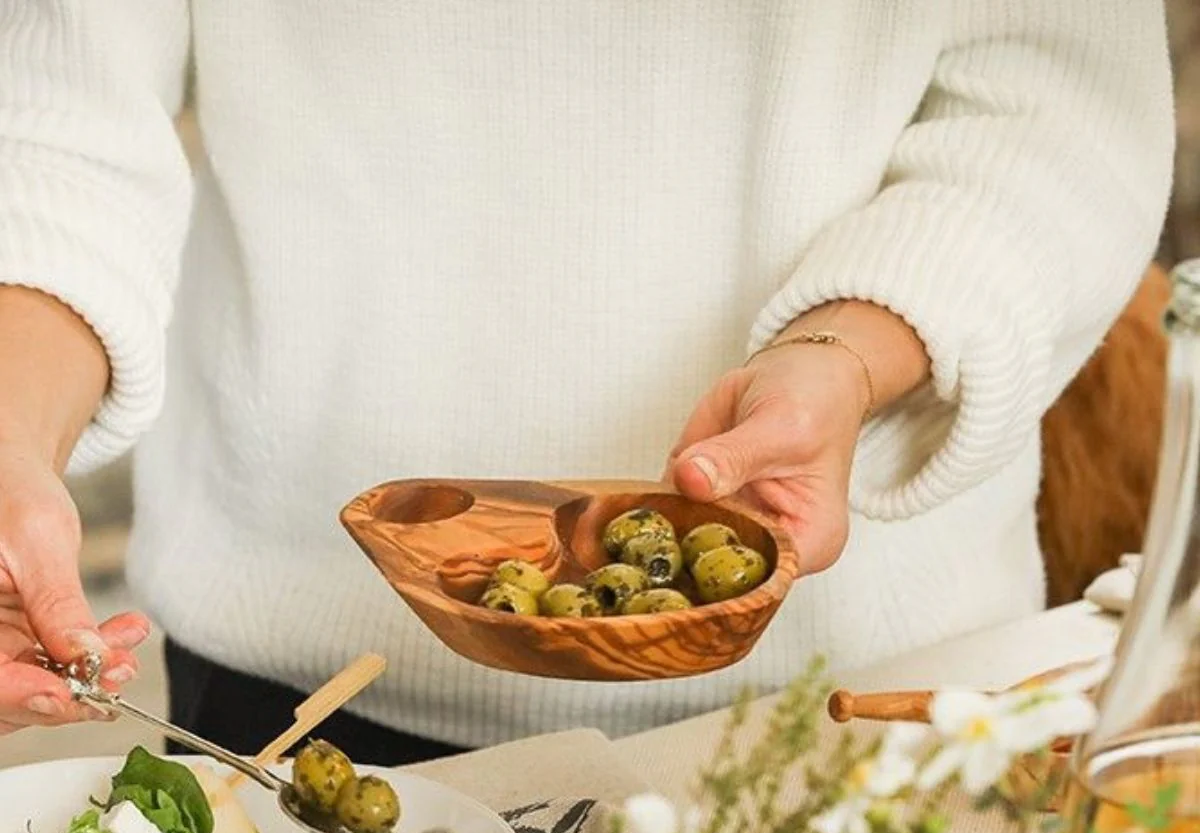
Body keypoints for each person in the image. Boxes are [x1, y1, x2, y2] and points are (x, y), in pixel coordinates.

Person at [0, 2, 1175, 764]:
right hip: (300, 700)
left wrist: (847, 354)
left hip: (868, 703)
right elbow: (53, 116)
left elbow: (1053, 109)